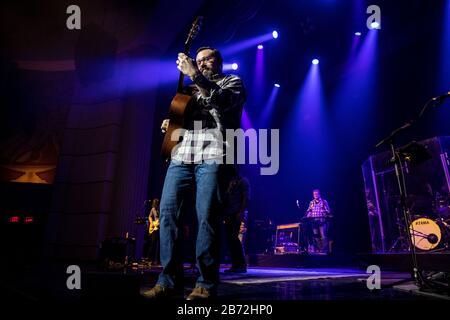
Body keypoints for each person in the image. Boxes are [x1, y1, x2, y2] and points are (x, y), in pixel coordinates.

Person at [142, 47, 246, 300]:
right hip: (182, 153)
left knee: (207, 216)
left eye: (207, 59)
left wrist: (195, 76)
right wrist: (172, 123)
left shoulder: (232, 82)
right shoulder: (186, 92)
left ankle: (206, 284)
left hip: (213, 152)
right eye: (198, 62)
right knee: (168, 215)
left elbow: (221, 102)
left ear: (218, 62)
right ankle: (168, 281)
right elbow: (182, 117)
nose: (201, 64)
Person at [223, 171, 250, 273]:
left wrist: (241, 212)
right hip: (229, 213)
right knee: (230, 240)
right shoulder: (230, 182)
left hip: (238, 213)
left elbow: (246, 198)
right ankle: (235, 265)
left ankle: (241, 265)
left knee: (235, 238)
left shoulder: (243, 181)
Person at [305, 189, 332, 254]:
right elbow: (308, 211)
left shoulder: (324, 201)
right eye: (314, 194)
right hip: (314, 222)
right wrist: (308, 214)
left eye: (317, 194)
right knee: (316, 236)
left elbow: (328, 210)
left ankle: (324, 250)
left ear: (319, 194)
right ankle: (320, 249)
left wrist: (324, 211)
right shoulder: (311, 202)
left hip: (322, 221)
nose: (316, 195)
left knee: (323, 236)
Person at [147, 199, 161, 266]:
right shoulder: (153, 209)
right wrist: (151, 222)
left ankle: (158, 260)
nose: (155, 205)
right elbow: (149, 216)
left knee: (160, 245)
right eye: (154, 204)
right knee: (153, 244)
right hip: (155, 228)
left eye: (156, 204)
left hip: (160, 228)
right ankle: (150, 260)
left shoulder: (161, 208)